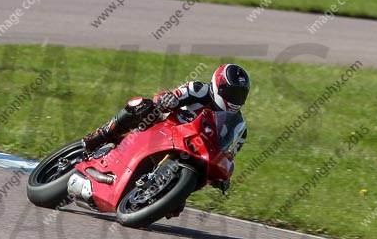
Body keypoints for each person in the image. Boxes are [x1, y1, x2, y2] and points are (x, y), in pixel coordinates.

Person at [83, 63, 251, 196]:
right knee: (141, 106)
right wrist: (168, 99)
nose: (235, 99)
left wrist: (221, 176)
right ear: (218, 86)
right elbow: (174, 94)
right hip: (166, 126)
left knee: (178, 204)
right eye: (232, 93)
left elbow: (228, 154)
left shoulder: (238, 128)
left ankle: (164, 195)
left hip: (194, 149)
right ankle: (99, 136)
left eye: (240, 95)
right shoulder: (199, 90)